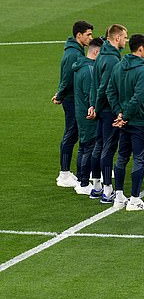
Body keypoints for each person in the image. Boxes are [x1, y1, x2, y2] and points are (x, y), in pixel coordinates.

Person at [106, 34, 144, 211]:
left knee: (122, 157)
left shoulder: (118, 67)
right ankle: (134, 199)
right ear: (140, 48)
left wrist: (119, 112)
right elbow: (138, 97)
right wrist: (125, 115)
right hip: (138, 121)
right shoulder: (142, 70)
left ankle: (118, 196)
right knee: (140, 158)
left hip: (123, 121)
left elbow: (110, 91)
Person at [88, 24, 127, 203]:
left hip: (101, 108)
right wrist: (104, 108)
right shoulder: (112, 60)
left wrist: (93, 105)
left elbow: (95, 85)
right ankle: (107, 190)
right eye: (124, 37)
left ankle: (96, 186)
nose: (126, 41)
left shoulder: (102, 55)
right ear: (117, 38)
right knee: (108, 148)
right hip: (108, 109)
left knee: (99, 145)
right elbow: (105, 88)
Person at [52, 20, 94, 187]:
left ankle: (77, 170)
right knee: (71, 134)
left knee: (75, 133)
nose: (90, 37)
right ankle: (64, 174)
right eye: (88, 34)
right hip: (71, 100)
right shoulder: (73, 55)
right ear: (79, 35)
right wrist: (60, 95)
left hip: (73, 99)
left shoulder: (76, 51)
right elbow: (66, 79)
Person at [72, 37, 103, 195]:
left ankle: (80, 179)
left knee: (84, 146)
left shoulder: (81, 66)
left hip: (80, 112)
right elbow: (90, 94)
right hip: (88, 115)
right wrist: (95, 109)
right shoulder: (90, 70)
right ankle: (84, 183)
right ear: (96, 52)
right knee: (88, 147)